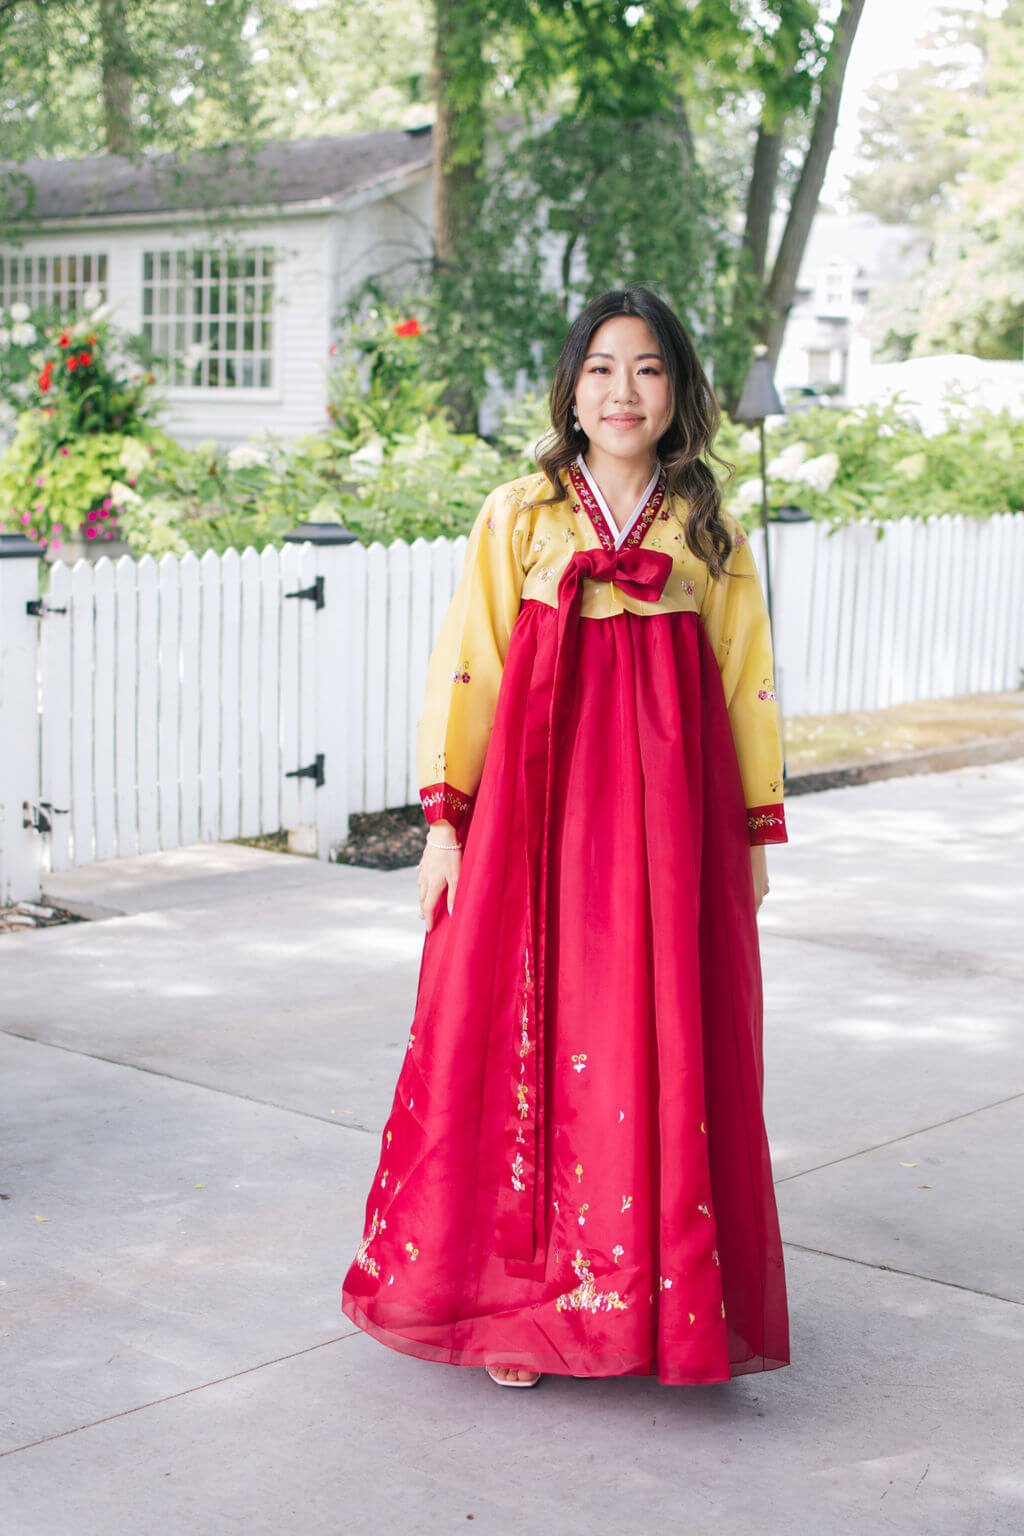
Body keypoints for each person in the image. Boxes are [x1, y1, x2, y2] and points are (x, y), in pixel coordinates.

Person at [340, 285, 790, 1390]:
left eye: (645, 368)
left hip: (671, 822)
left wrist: (752, 833)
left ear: (676, 390)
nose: (621, 390)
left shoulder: (706, 527)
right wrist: (445, 820)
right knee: (524, 1026)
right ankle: (521, 1299)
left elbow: (746, 685)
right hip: (537, 815)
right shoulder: (520, 515)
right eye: (600, 367)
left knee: (656, 1034)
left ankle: (645, 1298)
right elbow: (470, 662)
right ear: (570, 387)